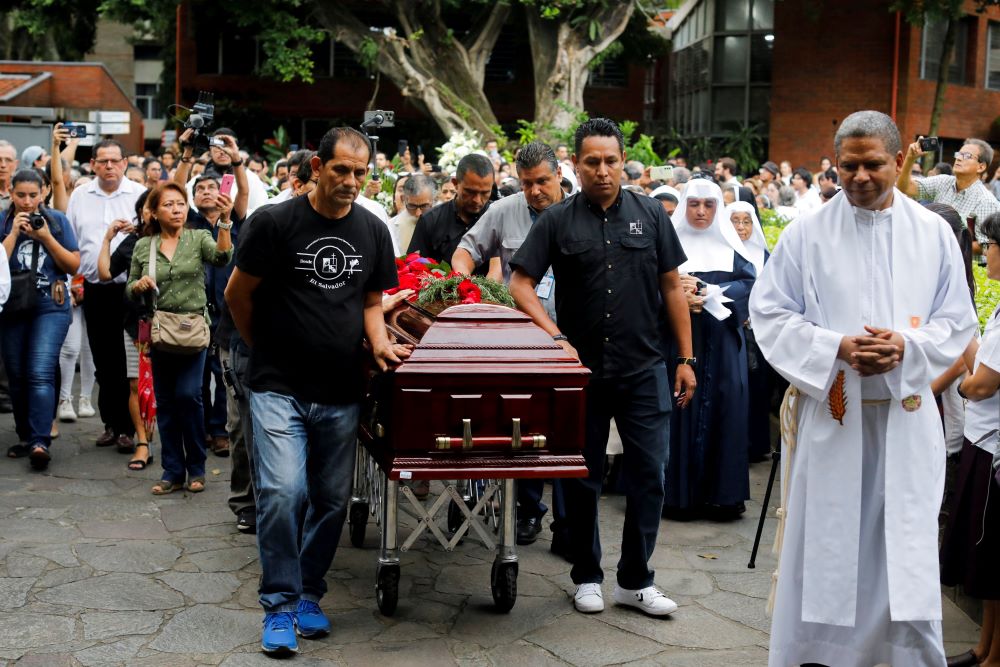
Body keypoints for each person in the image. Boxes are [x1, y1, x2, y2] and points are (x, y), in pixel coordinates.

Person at [749, 110, 977, 666]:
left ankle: (904, 656)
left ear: (898, 161)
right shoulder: (807, 232)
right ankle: (821, 654)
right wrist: (837, 348)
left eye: (873, 164)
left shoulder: (934, 232)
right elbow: (769, 313)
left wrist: (904, 348)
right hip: (835, 414)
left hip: (907, 414)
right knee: (830, 544)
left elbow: (958, 321)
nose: (859, 177)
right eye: (847, 166)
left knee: (903, 547)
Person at [224, 127, 408, 655]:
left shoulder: (373, 230)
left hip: (341, 390)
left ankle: (309, 592)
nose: (351, 181)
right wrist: (267, 349)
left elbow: (373, 301)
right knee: (283, 492)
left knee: (329, 500)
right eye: (341, 170)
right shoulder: (274, 222)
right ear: (316, 168)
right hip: (277, 387)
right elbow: (239, 296)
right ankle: (279, 604)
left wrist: (379, 345)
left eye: (360, 172)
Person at [509, 118, 695, 618]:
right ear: (576, 164)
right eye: (592, 161)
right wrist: (555, 336)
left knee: (650, 475)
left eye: (611, 160)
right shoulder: (557, 220)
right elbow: (520, 284)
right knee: (581, 476)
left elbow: (672, 287)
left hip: (644, 369)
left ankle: (636, 580)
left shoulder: (651, 214)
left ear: (622, 160)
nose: (603, 170)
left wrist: (686, 358)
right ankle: (586, 574)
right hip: (581, 374)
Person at [451, 141, 567, 550]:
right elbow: (465, 251)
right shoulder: (504, 210)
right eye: (526, 183)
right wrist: (468, 288)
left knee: (568, 428)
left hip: (570, 338)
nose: (535, 191)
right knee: (526, 425)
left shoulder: (581, 211)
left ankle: (568, 524)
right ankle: (528, 510)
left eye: (543, 182)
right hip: (520, 337)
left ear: (559, 176)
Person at [127, 182, 232, 494]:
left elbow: (222, 258)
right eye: (169, 205)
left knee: (189, 395)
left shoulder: (198, 237)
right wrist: (140, 286)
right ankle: (172, 470)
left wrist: (224, 223)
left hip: (193, 328)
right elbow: (129, 286)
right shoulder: (144, 246)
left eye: (180, 204)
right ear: (155, 212)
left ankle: (196, 467)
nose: (176, 209)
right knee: (168, 402)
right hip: (160, 329)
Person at [663, 179, 755, 520]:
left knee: (724, 406)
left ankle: (722, 495)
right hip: (678, 342)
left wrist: (708, 291)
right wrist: (678, 298)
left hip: (722, 341)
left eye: (709, 205)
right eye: (694, 204)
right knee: (677, 409)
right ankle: (677, 496)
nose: (701, 212)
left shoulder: (731, 248)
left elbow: (749, 286)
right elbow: (650, 282)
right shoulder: (669, 243)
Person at [940, 212, 1000, 667]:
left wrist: (963, 378)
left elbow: (982, 384)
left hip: (993, 443)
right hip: (985, 439)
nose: (985, 252)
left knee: (994, 555)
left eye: (991, 245)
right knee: (985, 558)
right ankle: (984, 649)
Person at [66, 139, 146, 452]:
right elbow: (72, 239)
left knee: (128, 360)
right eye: (103, 161)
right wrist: (73, 280)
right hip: (94, 288)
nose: (109, 166)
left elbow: (151, 231)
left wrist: (133, 232)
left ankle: (130, 428)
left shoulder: (138, 194)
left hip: (130, 289)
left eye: (115, 161)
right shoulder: (80, 195)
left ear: (125, 163)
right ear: (93, 164)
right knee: (102, 359)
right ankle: (111, 423)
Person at [1, 169, 80, 469]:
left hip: (51, 304)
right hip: (12, 306)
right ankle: (26, 434)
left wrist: (45, 236)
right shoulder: (3, 221)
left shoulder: (57, 220)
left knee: (39, 370)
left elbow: (73, 264)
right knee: (16, 374)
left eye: (33, 195)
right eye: (21, 195)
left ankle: (39, 440)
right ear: (11, 192)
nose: (27, 202)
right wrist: (13, 235)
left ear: (44, 193)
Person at [98, 190, 155, 470]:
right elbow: (106, 273)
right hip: (138, 323)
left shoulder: (183, 239)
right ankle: (142, 441)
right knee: (135, 383)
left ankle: (167, 439)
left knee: (172, 387)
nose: (153, 212)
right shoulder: (132, 242)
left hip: (175, 323)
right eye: (147, 207)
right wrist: (109, 239)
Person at [727, 198, 772, 463]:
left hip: (759, 332)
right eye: (736, 221)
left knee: (758, 390)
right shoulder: (723, 252)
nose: (742, 227)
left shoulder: (763, 255)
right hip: (735, 329)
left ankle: (757, 444)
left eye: (746, 221)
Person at [898, 136, 1000, 246]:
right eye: (959, 154)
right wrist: (910, 158)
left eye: (967, 156)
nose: (959, 158)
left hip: (965, 262)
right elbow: (905, 187)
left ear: (981, 167)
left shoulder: (986, 201)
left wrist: (948, 243)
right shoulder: (943, 182)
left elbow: (987, 246)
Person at [408, 153, 493, 267]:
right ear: (455, 184)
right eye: (470, 192)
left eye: (485, 193)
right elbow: (413, 267)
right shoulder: (431, 220)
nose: (477, 200)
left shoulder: (497, 218)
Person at [391, 174, 435, 254]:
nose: (418, 213)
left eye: (424, 206)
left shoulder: (443, 224)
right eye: (412, 206)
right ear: (404, 199)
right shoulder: (391, 227)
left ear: (433, 200)